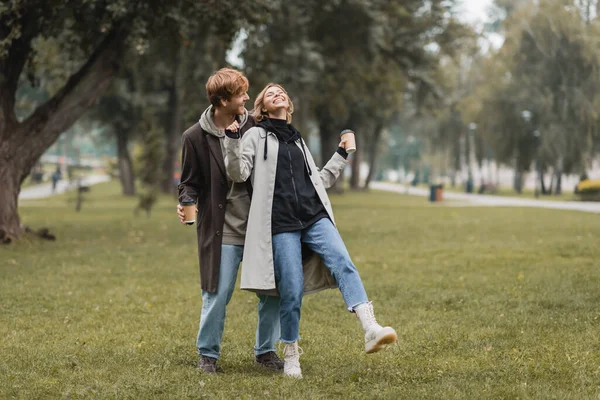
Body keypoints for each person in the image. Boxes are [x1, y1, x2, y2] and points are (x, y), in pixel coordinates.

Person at [224, 83, 397, 378]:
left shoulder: (297, 139)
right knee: (291, 289)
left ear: (287, 103)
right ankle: (291, 353)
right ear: (262, 108)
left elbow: (317, 180)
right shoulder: (254, 135)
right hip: (280, 223)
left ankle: (370, 327)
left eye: (281, 91)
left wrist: (340, 156)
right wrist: (232, 140)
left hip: (313, 216)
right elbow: (238, 172)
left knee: (343, 262)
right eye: (270, 93)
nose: (277, 94)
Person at [176, 69, 283, 374]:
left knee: (272, 291)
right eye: (240, 94)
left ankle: (266, 351)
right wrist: (186, 202)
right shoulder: (194, 137)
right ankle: (207, 355)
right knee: (217, 293)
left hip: (260, 228)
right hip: (222, 230)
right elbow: (189, 182)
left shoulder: (255, 125)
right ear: (223, 100)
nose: (247, 99)